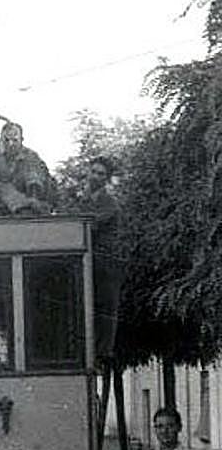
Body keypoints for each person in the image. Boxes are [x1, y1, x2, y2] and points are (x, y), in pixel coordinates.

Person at [81, 155, 123, 367]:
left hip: (106, 262)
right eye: (93, 172)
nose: (95, 176)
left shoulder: (109, 202)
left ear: (106, 179)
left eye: (101, 174)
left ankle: (102, 352)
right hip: (90, 260)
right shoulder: (85, 199)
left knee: (105, 307)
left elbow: (91, 225)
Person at [0, 122, 56, 215]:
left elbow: (36, 185)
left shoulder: (31, 157)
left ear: (21, 140)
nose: (10, 144)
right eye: (6, 140)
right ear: (1, 141)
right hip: (4, 211)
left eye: (15, 140)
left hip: (34, 209)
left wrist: (31, 203)